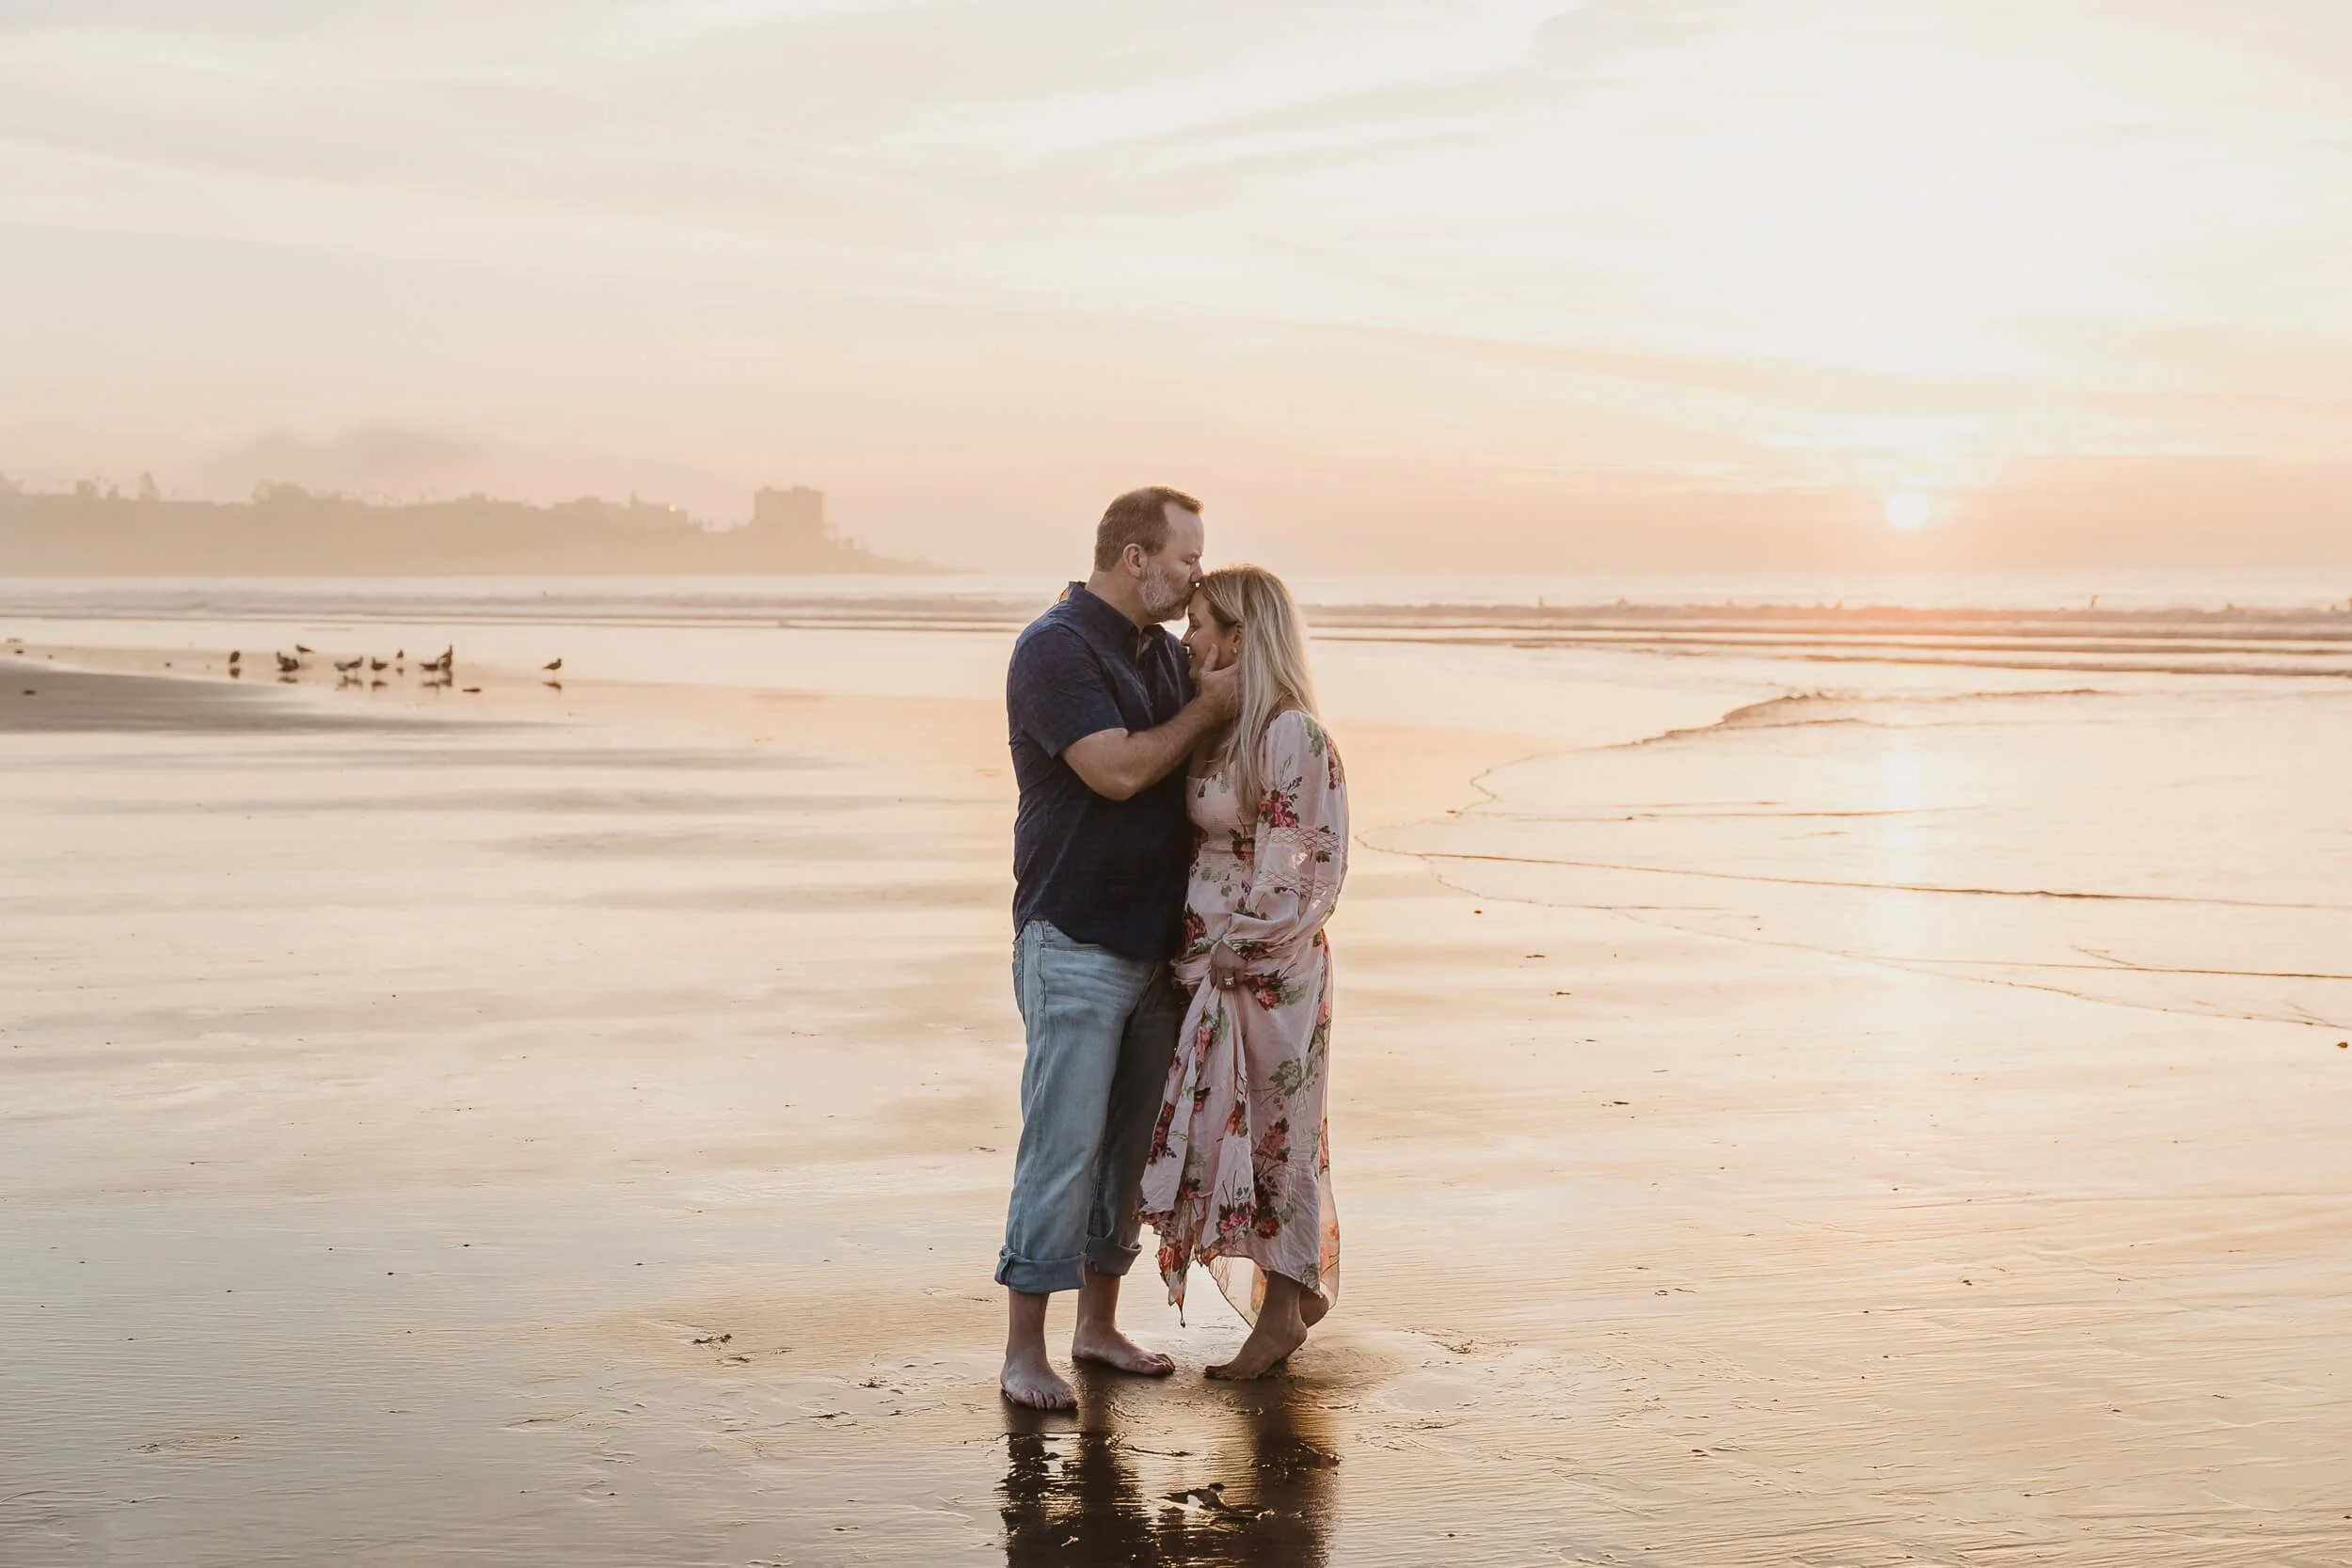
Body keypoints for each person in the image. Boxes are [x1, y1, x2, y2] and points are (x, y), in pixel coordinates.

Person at [997, 485, 1242, 1411]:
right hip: (1075, 934)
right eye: (1184, 558)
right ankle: (1026, 1348)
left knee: (1125, 1154)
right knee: (1060, 1144)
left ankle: (1095, 1325)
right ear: (1134, 557)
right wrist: (1205, 708)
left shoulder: (1160, 653)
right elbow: (1119, 768)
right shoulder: (1056, 647)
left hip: (1157, 944)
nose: (1194, 575)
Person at [1138, 565, 1348, 1380]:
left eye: (1200, 625)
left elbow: (1308, 860)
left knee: (1278, 1132)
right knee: (1238, 1125)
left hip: (1267, 974)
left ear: (1240, 636)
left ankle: (1282, 1309)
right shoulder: (1225, 730)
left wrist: (1242, 948)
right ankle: (1291, 1293)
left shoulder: (1292, 733)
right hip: (1215, 972)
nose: (1189, 640)